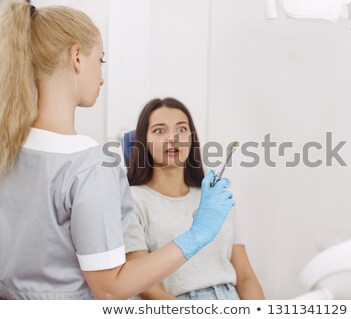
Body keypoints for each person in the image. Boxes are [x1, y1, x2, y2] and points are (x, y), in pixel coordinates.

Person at [0, 1, 234, 300]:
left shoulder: (8, 150)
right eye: (101, 60)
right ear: (76, 58)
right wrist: (197, 235)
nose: (101, 76)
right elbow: (110, 288)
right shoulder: (91, 166)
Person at [124, 98, 265, 300]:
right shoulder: (133, 200)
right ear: (143, 141)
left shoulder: (214, 197)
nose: (173, 138)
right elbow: (147, 287)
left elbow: (245, 277)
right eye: (159, 130)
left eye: (181, 129)